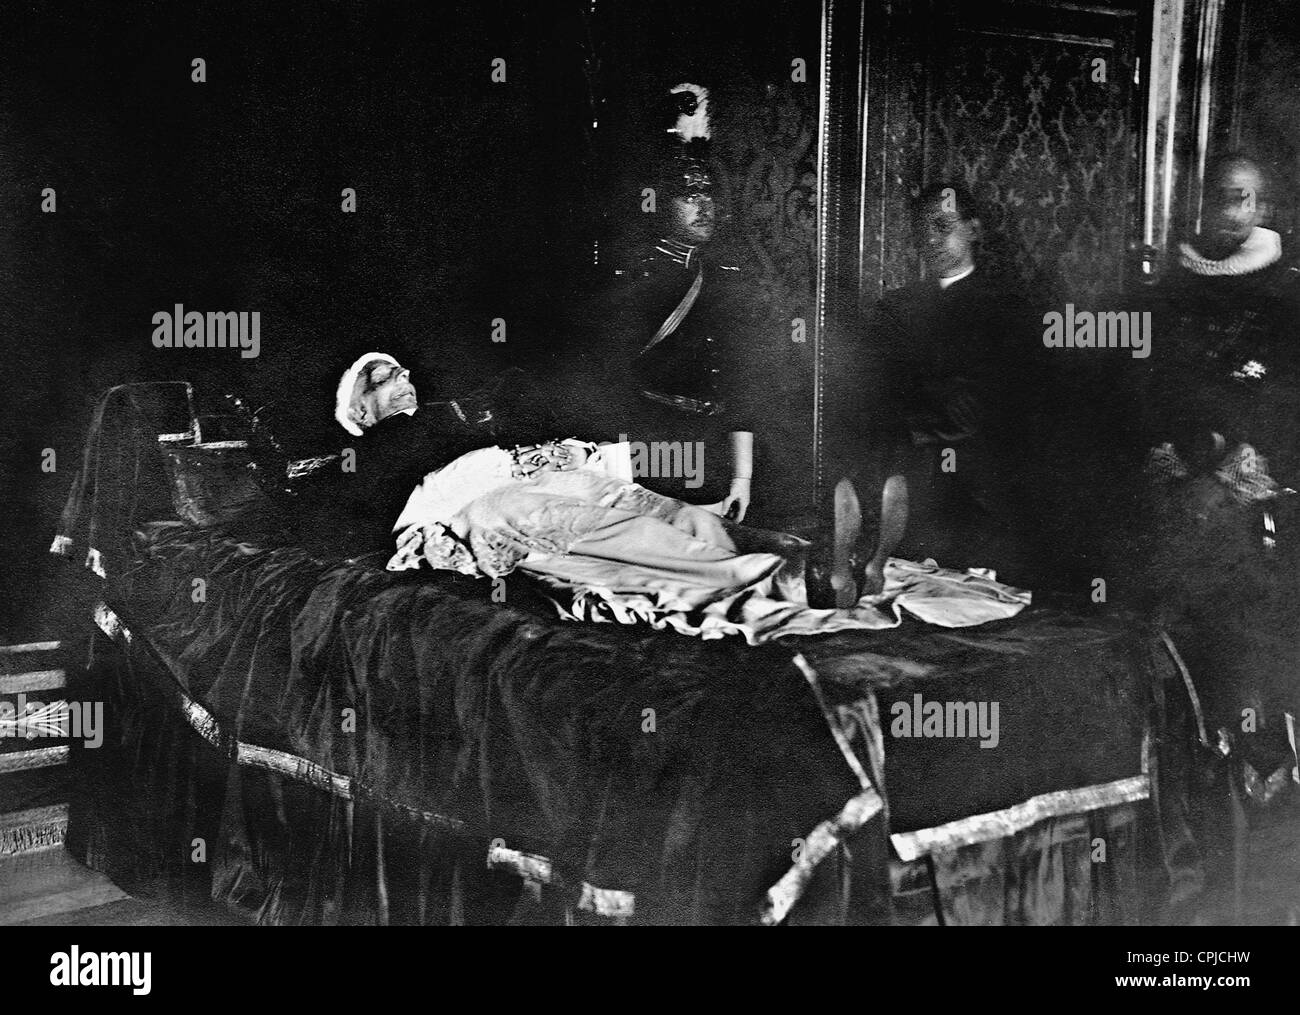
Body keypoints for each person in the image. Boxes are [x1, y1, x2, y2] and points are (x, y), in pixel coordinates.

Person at [1136, 154, 1300, 802]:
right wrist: (1170, 465)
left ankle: (1243, 750)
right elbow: (1142, 385)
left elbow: (1290, 400)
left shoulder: (1290, 292)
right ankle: (1169, 754)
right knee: (1158, 535)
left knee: (1226, 552)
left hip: (1257, 474)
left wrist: (1229, 475)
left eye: (1246, 198)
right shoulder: (1170, 286)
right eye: (1222, 197)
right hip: (1176, 467)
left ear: (1260, 208)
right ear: (1203, 205)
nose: (1234, 210)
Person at [838, 182, 1033, 599]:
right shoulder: (896, 308)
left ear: (974, 230)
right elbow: (877, 391)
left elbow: (1020, 400)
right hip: (910, 471)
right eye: (922, 230)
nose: (930, 240)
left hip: (981, 481)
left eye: (943, 226)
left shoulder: (1011, 308)